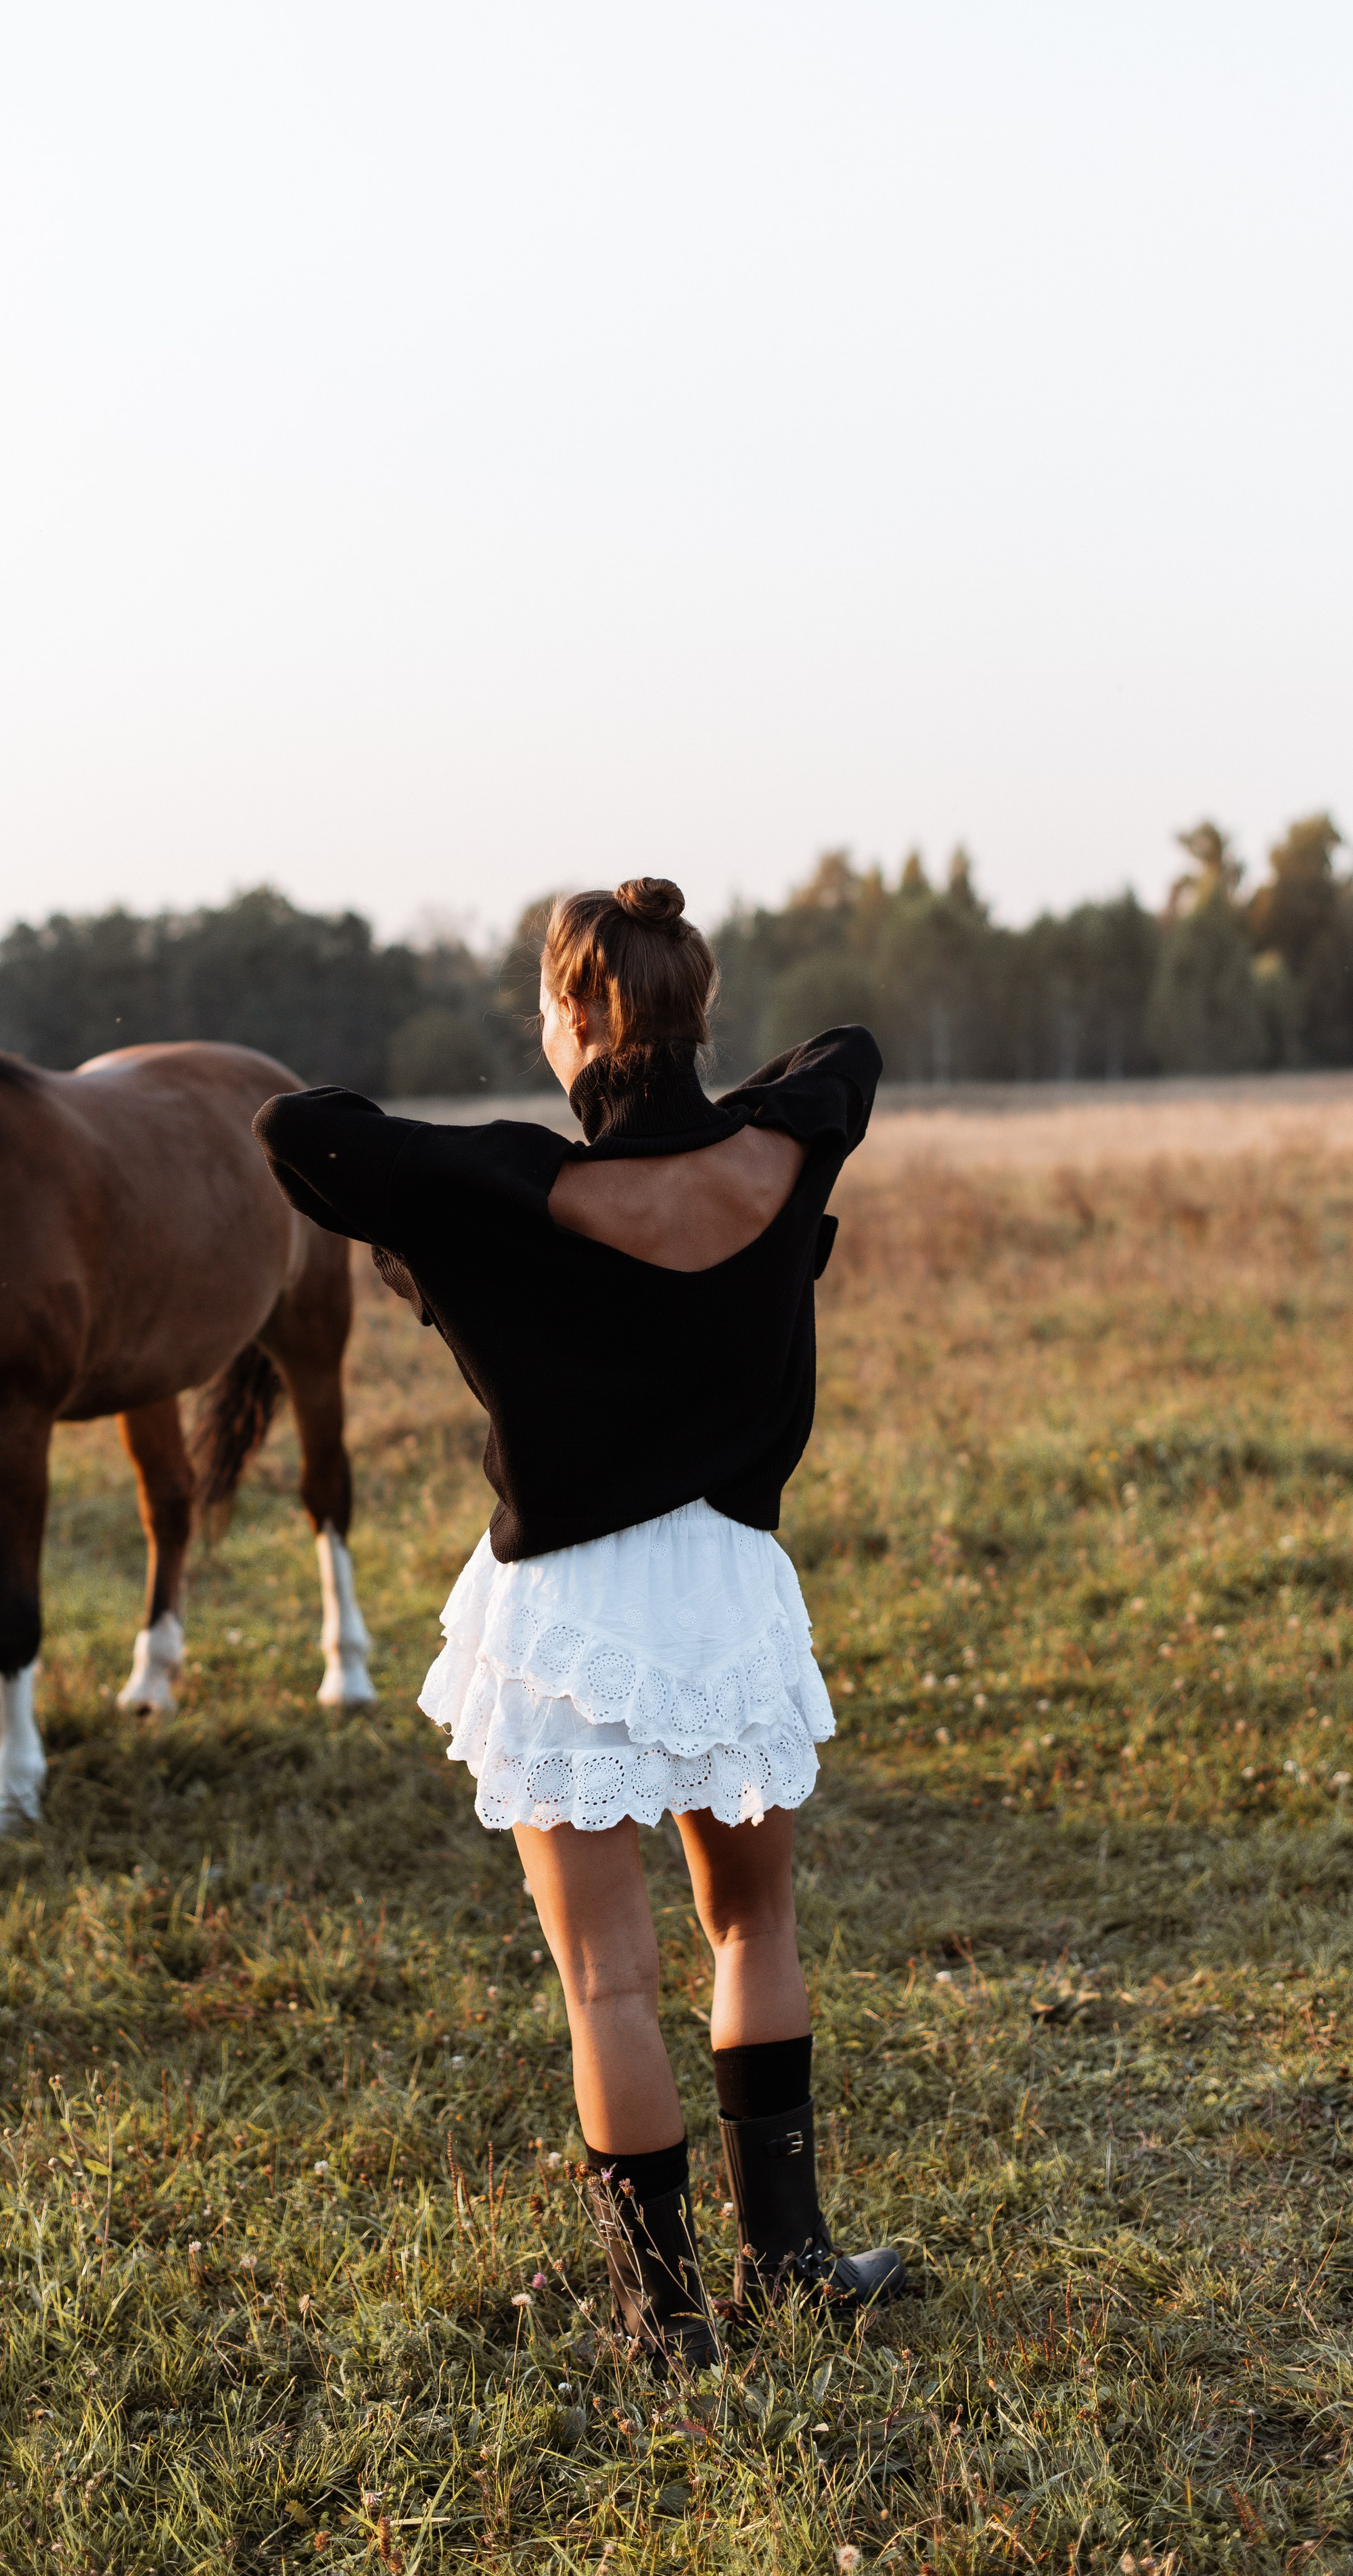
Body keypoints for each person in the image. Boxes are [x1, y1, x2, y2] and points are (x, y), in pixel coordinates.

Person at [255, 877, 905, 2366]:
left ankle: (666, 2321)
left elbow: (301, 1132)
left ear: (578, 1015)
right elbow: (842, 1054)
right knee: (755, 1924)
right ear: (687, 1013)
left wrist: (492, 1166)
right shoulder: (779, 1153)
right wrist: (702, 1096)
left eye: (549, 1006)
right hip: (724, 1580)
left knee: (610, 1976)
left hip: (568, 1606)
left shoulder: (499, 1190)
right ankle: (789, 2261)